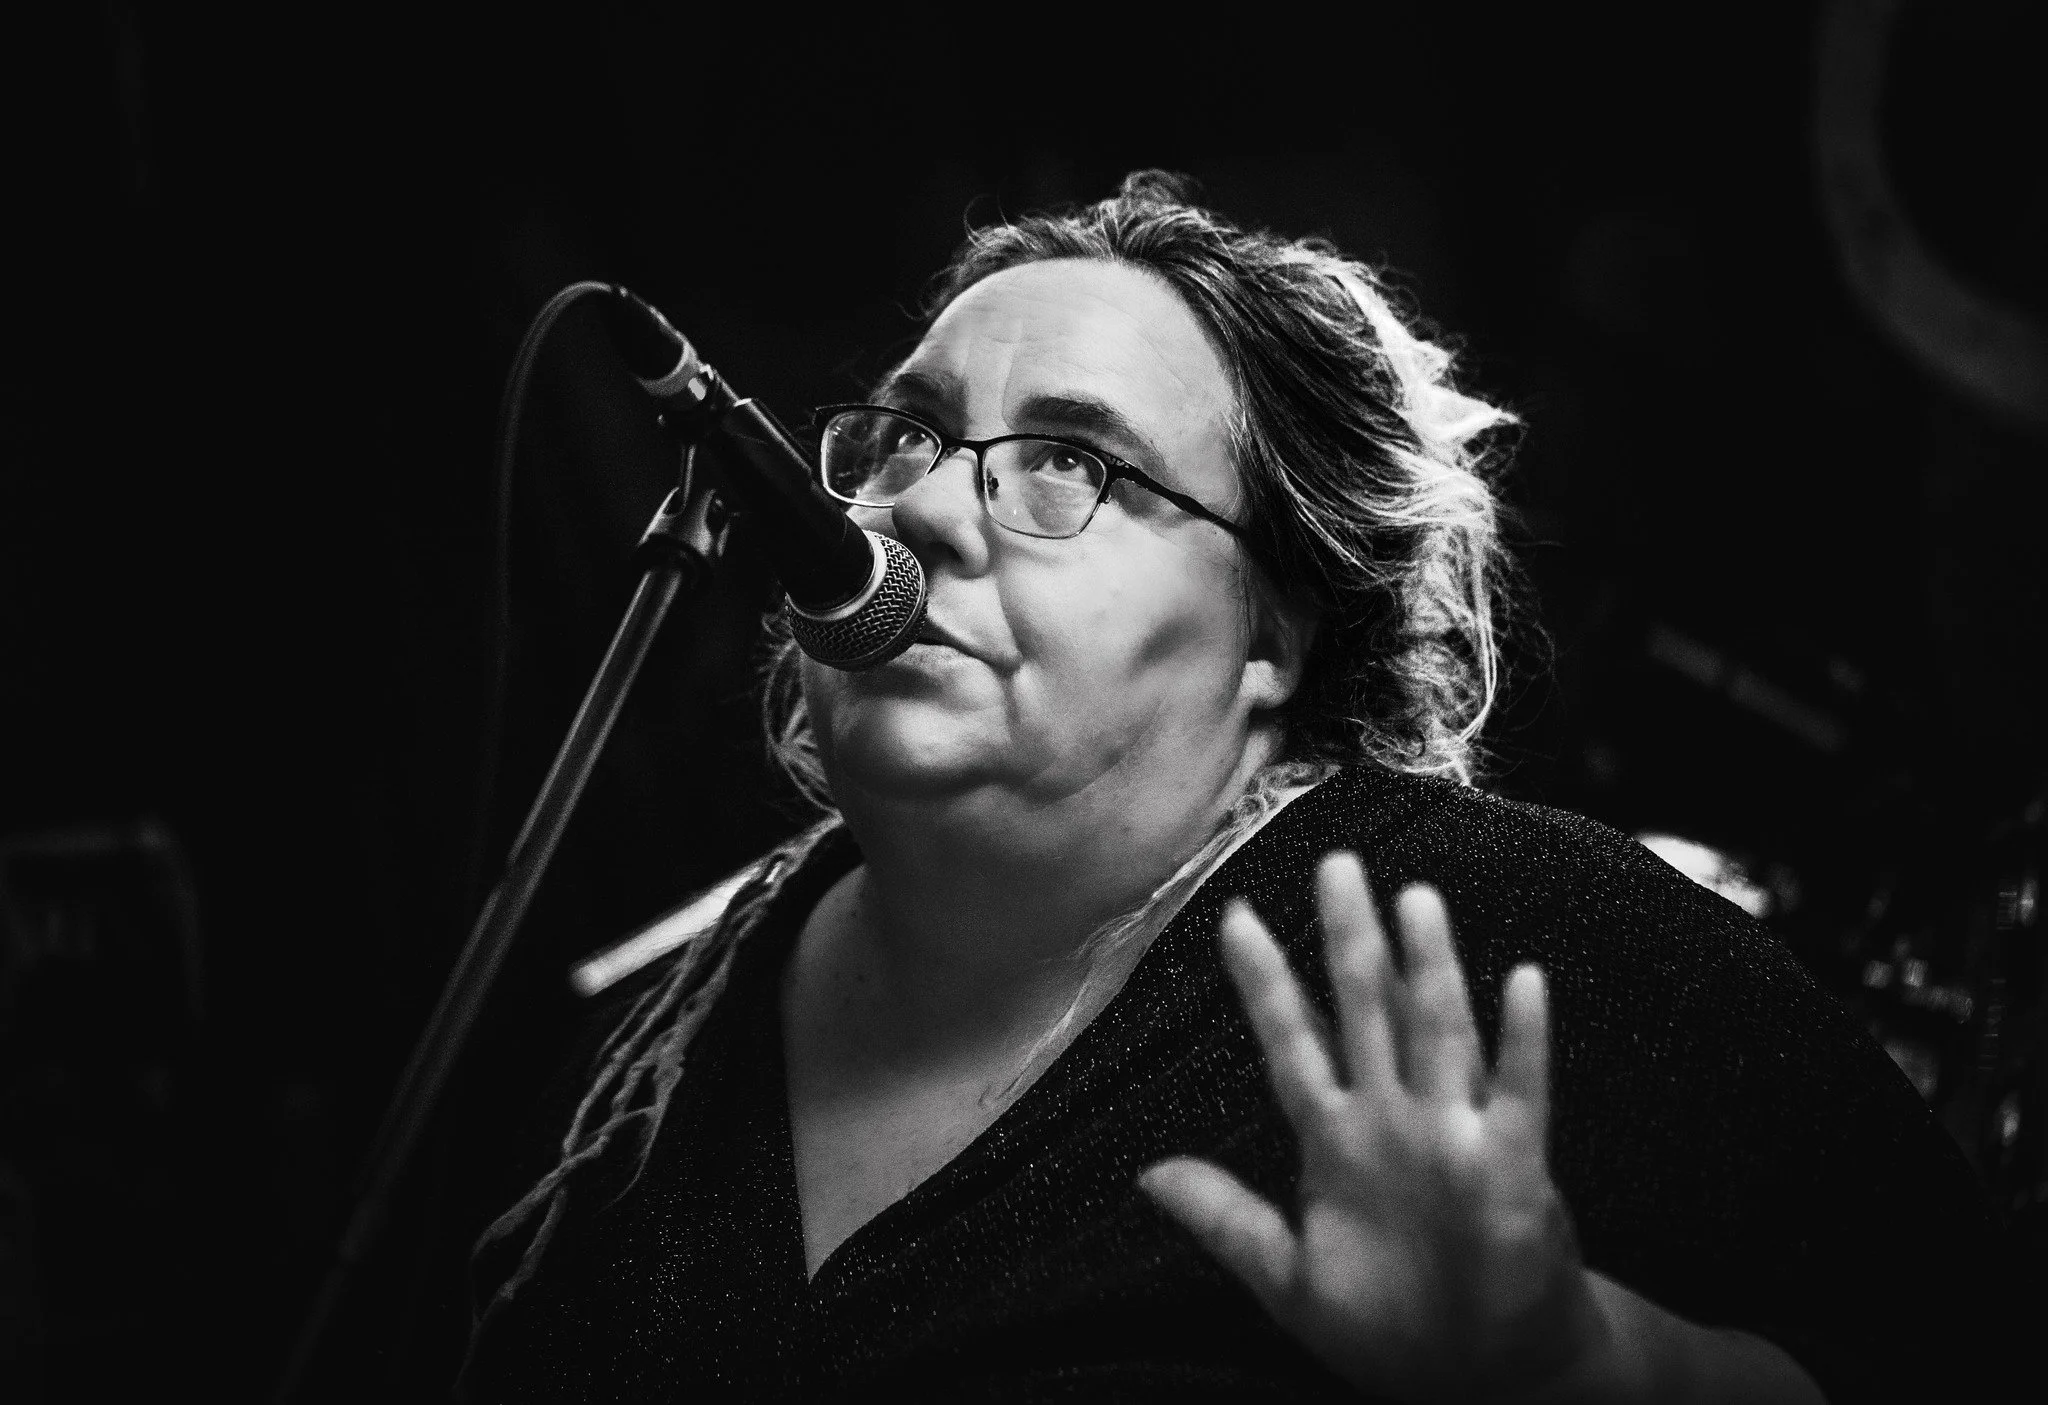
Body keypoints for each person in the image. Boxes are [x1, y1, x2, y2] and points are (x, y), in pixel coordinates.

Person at [457, 172, 2006, 1401]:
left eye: (1072, 463)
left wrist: (1585, 1368)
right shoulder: (644, 1056)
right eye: (905, 437)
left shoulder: (1503, 935)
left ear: (1273, 630)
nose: (923, 507)